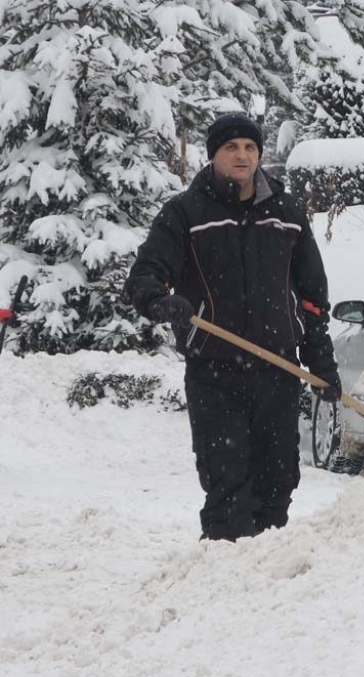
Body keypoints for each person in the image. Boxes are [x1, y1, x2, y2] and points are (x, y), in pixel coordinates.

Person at [125, 112, 341, 542]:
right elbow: (146, 273)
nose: (242, 155)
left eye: (250, 147)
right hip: (214, 373)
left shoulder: (287, 211)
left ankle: (262, 586)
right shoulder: (185, 212)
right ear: (214, 155)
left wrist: (322, 364)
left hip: (278, 370)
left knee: (277, 486)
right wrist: (159, 300)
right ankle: (222, 579)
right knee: (227, 486)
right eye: (231, 147)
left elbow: (313, 299)